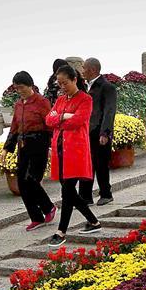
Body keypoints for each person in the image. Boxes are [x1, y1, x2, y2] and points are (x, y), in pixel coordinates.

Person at [46, 65, 101, 247]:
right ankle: (93, 221)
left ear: (74, 79)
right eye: (59, 83)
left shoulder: (85, 99)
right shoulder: (61, 100)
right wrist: (64, 116)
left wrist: (60, 118)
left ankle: (61, 231)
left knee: (67, 190)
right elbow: (49, 120)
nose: (62, 86)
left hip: (76, 150)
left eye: (65, 82)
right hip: (60, 150)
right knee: (69, 190)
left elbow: (78, 121)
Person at [1, 71, 56, 231]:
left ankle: (48, 207)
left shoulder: (42, 102)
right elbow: (14, 128)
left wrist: (51, 145)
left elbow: (50, 125)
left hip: (39, 144)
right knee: (22, 183)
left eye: (22, 87)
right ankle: (36, 217)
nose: (19, 91)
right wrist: (6, 148)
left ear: (30, 85)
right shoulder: (18, 105)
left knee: (32, 179)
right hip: (23, 146)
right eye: (16, 88)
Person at [78, 58, 117, 206]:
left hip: (99, 131)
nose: (82, 71)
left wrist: (105, 132)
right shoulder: (84, 87)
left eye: (84, 68)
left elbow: (109, 111)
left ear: (92, 70)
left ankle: (106, 194)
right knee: (86, 165)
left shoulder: (107, 87)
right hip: (86, 131)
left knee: (101, 164)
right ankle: (85, 197)